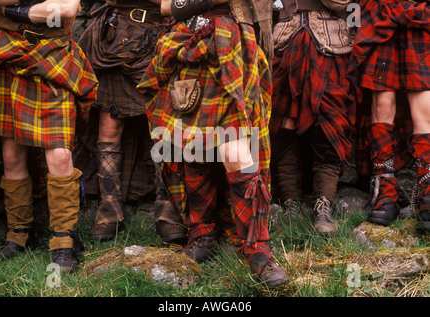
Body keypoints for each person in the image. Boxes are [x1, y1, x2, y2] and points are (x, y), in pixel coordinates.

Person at [138, 0, 288, 287]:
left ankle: (258, 249)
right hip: (185, 41)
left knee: (236, 149)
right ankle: (202, 233)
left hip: (231, 43)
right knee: (191, 147)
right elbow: (168, 6)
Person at [0, 0, 98, 272]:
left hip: (53, 56)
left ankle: (65, 241)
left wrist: (15, 11)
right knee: (11, 153)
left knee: (60, 153)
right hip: (7, 52)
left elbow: (66, 10)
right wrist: (36, 8)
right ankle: (19, 234)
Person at [72, 0, 187, 243]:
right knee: (110, 123)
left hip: (165, 37)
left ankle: (167, 206)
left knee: (164, 124)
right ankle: (109, 207)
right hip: (118, 36)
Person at [270, 0, 357, 235]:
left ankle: (323, 205)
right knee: (284, 126)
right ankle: (291, 204)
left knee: (329, 126)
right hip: (283, 42)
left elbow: (345, 4)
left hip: (332, 44)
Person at [348, 0, 430, 229]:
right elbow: (350, 4)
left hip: (418, 20)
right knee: (382, 104)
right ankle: (385, 193)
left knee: (423, 107)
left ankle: (427, 195)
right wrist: (353, 24)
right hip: (380, 21)